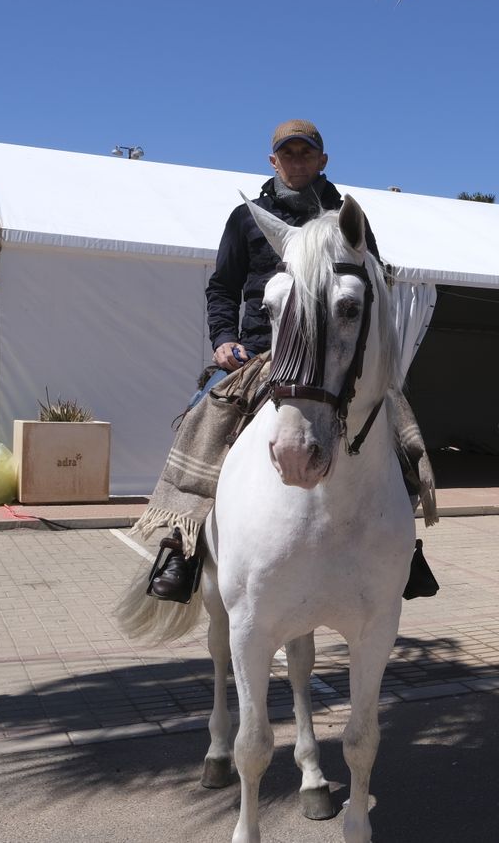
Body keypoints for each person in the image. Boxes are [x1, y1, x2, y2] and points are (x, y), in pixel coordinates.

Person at [142, 119, 382, 600]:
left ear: (322, 160)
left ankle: (404, 540)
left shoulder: (347, 218)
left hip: (329, 351)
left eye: (306, 153)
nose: (297, 161)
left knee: (392, 415)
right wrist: (224, 338)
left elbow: (372, 284)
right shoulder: (246, 218)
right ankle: (182, 542)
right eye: (287, 153)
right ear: (273, 161)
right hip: (258, 347)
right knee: (202, 409)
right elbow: (222, 288)